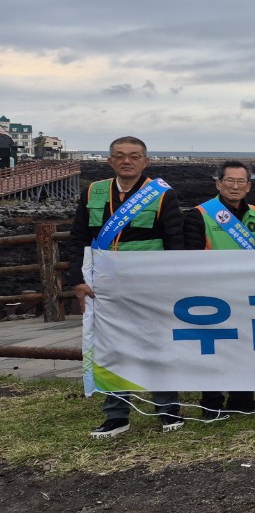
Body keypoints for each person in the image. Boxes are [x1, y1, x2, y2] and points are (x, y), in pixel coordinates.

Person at [67, 136, 185, 438]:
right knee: (111, 350)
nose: (127, 161)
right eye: (119, 156)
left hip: (150, 287)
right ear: (110, 161)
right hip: (104, 288)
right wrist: (77, 282)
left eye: (134, 156)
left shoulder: (160, 196)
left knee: (157, 346)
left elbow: (175, 243)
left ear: (146, 161)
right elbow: (78, 238)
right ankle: (116, 416)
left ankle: (169, 410)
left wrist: (172, 284)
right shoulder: (93, 192)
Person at [184, 160, 255, 418]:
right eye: (229, 181)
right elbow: (190, 256)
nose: (235, 186)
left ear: (249, 186)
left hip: (246, 291)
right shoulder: (200, 214)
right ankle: (211, 403)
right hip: (211, 291)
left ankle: (243, 399)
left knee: (246, 345)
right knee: (212, 349)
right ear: (219, 183)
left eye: (241, 182)